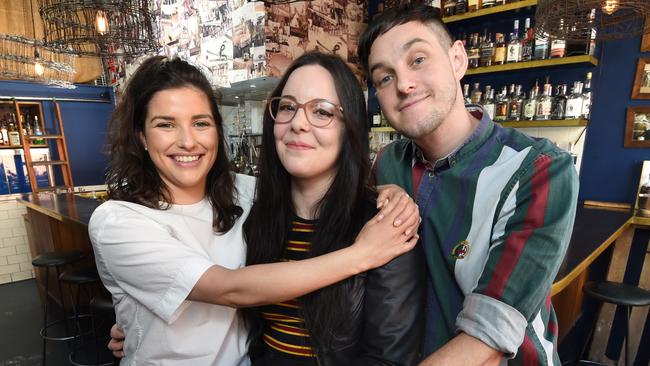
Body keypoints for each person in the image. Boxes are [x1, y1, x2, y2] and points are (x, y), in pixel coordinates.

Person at [89, 56, 420, 365]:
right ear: (141, 136)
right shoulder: (118, 221)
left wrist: (385, 193)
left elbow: (387, 354)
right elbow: (232, 288)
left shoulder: (246, 197)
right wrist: (360, 254)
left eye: (321, 111)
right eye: (165, 124)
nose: (187, 141)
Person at [358, 4, 579, 365]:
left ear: (458, 59)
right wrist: (379, 193)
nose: (403, 84)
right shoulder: (388, 164)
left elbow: (486, 340)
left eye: (417, 59)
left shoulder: (538, 169)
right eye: (384, 78)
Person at [242, 51, 424, 365]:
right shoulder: (255, 217)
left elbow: (388, 359)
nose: (298, 123)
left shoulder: (383, 226)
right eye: (287, 107)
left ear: (349, 128)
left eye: (322, 112)